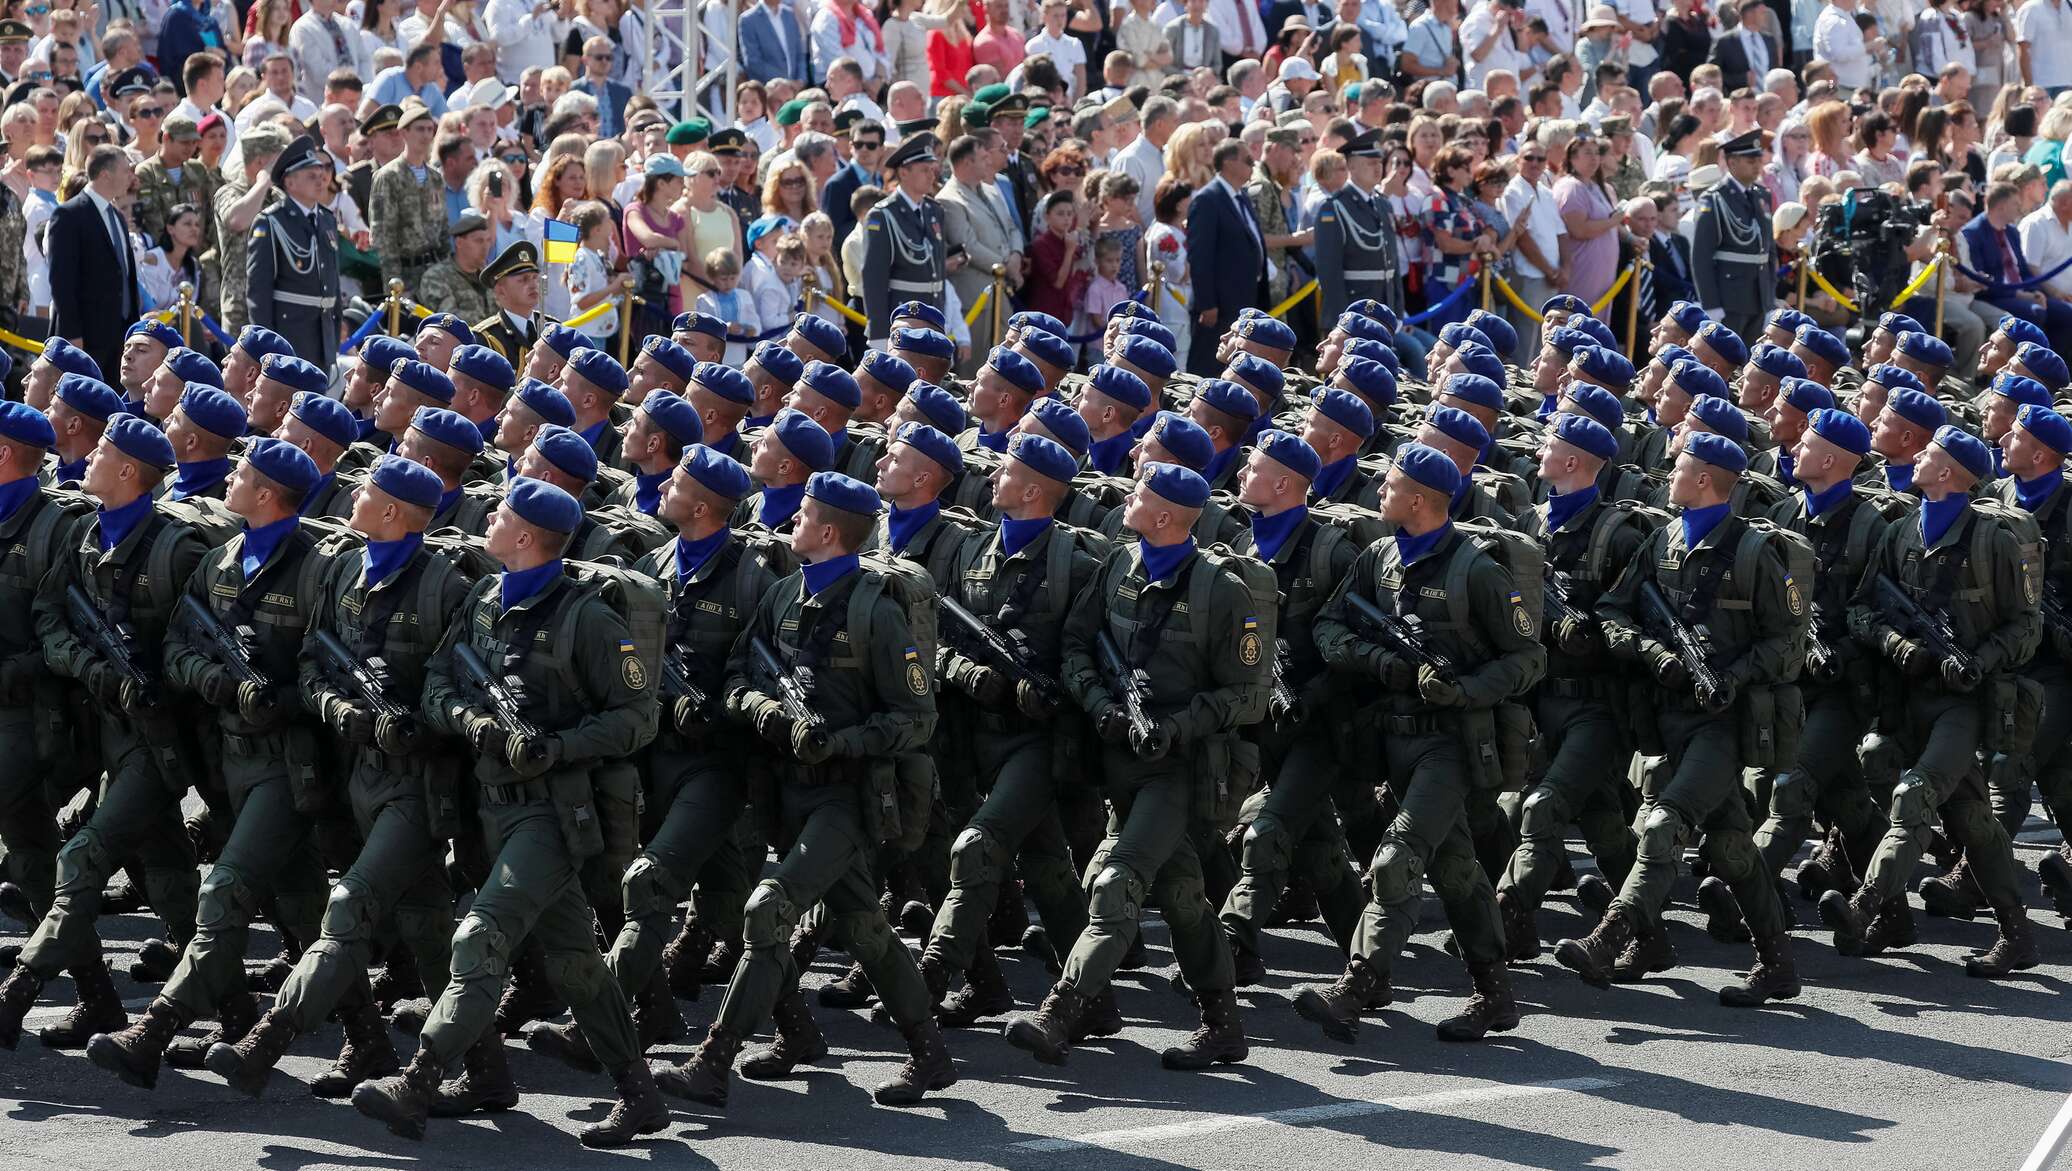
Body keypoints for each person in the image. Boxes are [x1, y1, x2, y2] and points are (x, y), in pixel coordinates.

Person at [352, 476, 668, 1149]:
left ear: (525, 536)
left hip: (555, 813)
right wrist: (474, 722)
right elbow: (441, 684)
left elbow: (638, 717)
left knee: (479, 935)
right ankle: (640, 1095)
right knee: (576, 958)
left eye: (500, 513)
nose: (486, 517)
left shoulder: (586, 617)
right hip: (493, 809)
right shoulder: (485, 599)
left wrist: (556, 745)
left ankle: (418, 1079)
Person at [652, 470, 956, 1109]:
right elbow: (738, 673)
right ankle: (928, 1054)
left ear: (825, 531)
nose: (787, 521)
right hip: (785, 790)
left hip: (847, 795)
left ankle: (714, 1060)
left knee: (769, 908)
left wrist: (841, 741)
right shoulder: (784, 594)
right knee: (867, 927)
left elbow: (917, 718)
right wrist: (763, 709)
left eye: (802, 515)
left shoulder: (876, 609)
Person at [1002, 462, 1269, 1068]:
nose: (1129, 496)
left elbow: (1245, 694)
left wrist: (1177, 724)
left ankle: (1060, 1012)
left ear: (1168, 515)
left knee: (1118, 881)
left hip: (1178, 768)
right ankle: (1223, 1024)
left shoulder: (1220, 591)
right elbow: (1077, 646)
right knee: (1179, 895)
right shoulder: (1119, 566)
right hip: (1117, 759)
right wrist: (1101, 706)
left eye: (1141, 493)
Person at [1559, 427, 1809, 1006]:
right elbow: (1614, 614)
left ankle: (1611, 935)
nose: (1668, 474)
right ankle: (1778, 963)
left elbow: (1786, 643)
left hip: (1724, 720)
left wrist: (1732, 673)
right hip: (1667, 714)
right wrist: (1657, 655)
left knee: (1664, 823)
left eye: (1679, 468)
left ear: (1703, 480)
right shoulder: (1663, 540)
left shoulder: (1754, 553)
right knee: (1731, 848)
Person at [1824, 425, 2042, 977]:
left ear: (1947, 474)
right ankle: (2015, 932)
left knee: (1914, 797)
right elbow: (1862, 610)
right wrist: (1899, 645)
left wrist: (1977, 660)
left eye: (1929, 455)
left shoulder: (1993, 540)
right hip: (1906, 696)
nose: (1916, 457)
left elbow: (2027, 625)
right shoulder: (1901, 534)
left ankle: (1866, 905)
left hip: (1964, 703)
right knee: (1968, 814)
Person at [247, 135, 342, 372]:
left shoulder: (327, 219)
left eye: (321, 175)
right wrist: (266, 344)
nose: (320, 181)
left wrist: (336, 328)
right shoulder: (271, 222)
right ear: (290, 183)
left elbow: (332, 281)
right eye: (311, 176)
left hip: (323, 334)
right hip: (289, 333)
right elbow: (258, 290)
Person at [47, 144, 138, 381]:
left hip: (119, 336)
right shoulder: (69, 215)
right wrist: (72, 335)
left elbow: (124, 275)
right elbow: (62, 281)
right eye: (126, 169)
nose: (131, 175)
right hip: (86, 338)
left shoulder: (117, 215)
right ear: (106, 174)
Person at [1185, 140, 1267, 376]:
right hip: (1219, 307)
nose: (1253, 165)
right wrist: (1207, 303)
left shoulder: (1240, 197)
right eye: (1248, 161)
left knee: (1234, 368)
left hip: (1243, 298)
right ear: (1229, 163)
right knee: (1207, 367)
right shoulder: (1208, 199)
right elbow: (1200, 256)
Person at [862, 133, 946, 348]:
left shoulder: (933, 210)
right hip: (902, 322)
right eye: (924, 170)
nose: (931, 176)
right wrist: (879, 333)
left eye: (932, 169)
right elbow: (874, 278)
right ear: (904, 172)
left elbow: (938, 274)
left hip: (932, 319)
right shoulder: (883, 215)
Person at [1692, 129, 1776, 342]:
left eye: (1759, 159)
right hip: (1730, 298)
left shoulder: (1761, 194)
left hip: (1758, 296)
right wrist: (1711, 306)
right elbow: (1701, 258)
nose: (1757, 164)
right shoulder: (1715, 199)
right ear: (1732, 163)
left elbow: (1768, 251)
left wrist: (1769, 298)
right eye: (1750, 160)